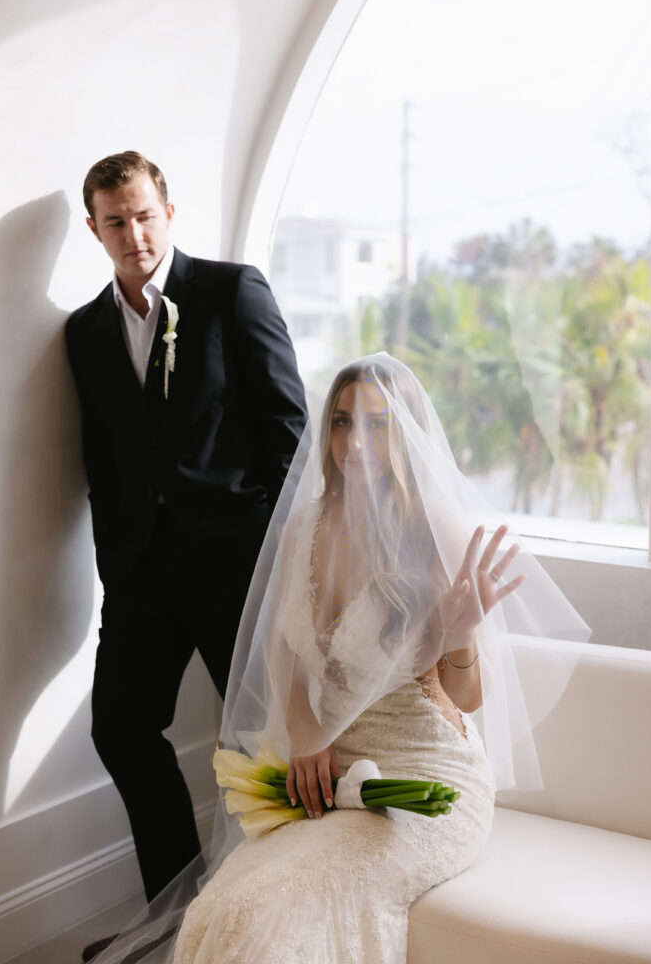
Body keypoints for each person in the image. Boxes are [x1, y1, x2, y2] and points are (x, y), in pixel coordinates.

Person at [91, 353, 589, 964]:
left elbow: (465, 699)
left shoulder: (436, 532)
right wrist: (304, 729)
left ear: (405, 434)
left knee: (279, 919)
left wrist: (461, 635)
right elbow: (286, 650)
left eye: (377, 425)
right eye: (343, 422)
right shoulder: (305, 525)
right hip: (327, 770)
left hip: (425, 775)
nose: (355, 442)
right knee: (224, 906)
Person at [65, 151, 307, 960]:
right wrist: (113, 560)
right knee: (121, 731)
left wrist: (279, 556)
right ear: (92, 229)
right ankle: (180, 913)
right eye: (114, 221)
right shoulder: (85, 332)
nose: (133, 234)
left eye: (143, 215)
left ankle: (282, 920)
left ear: (168, 211)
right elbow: (103, 456)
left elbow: (290, 434)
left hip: (238, 563)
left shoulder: (232, 291)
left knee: (268, 744)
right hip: (140, 576)